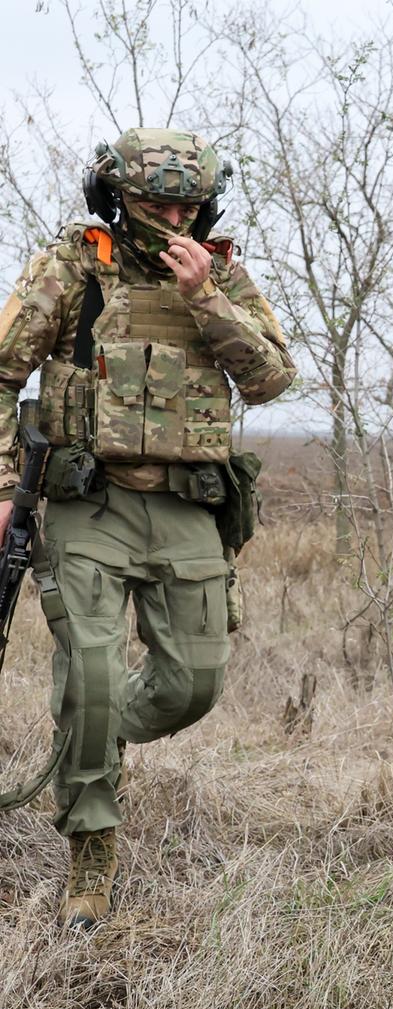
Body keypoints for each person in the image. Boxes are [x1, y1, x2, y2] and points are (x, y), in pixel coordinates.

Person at [0, 128, 295, 929]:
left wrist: (205, 294)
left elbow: (270, 379)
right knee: (90, 671)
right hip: (86, 502)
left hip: (185, 504)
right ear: (115, 197)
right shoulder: (72, 263)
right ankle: (91, 855)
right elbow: (2, 373)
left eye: (186, 204)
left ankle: (90, 734)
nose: (172, 217)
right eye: (155, 203)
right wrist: (2, 486)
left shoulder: (221, 271)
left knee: (193, 684)